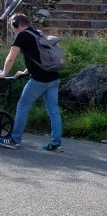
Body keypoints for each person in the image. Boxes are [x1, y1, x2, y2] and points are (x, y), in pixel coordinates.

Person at [0, 13, 63, 151]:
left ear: (17, 24)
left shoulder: (22, 35)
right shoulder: (37, 33)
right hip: (54, 78)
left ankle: (14, 140)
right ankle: (56, 143)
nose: (12, 29)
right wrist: (25, 71)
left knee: (22, 106)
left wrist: (4, 73)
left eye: (12, 26)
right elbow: (38, 57)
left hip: (39, 80)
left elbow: (11, 57)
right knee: (53, 111)